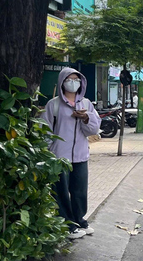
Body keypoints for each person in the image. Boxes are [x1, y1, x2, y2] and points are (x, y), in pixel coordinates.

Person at [42, 68, 101, 240]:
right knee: (60, 191)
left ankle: (79, 220)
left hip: (80, 155)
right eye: (69, 79)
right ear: (62, 82)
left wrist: (85, 118)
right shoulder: (53, 105)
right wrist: (48, 152)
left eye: (76, 79)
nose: (73, 82)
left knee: (79, 190)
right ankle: (67, 224)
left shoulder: (86, 104)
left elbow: (93, 129)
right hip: (60, 156)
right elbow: (45, 130)